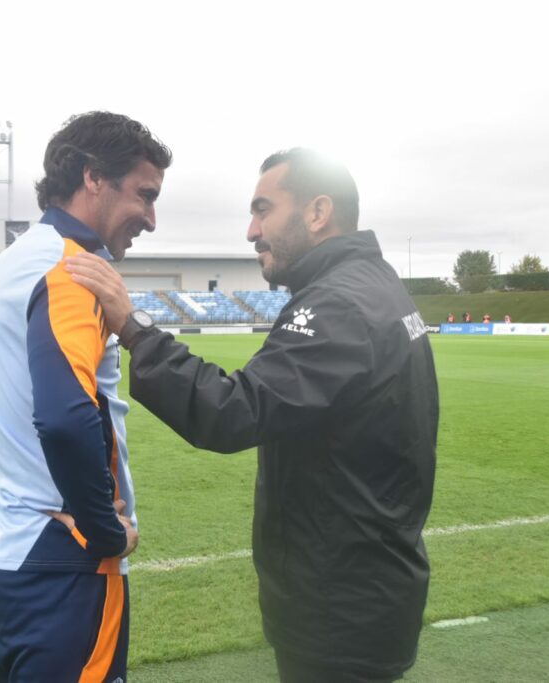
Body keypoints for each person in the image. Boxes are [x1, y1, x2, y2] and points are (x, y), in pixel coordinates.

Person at [67, 148, 439, 682]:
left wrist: (135, 329)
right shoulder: (369, 283)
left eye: (263, 209)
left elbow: (232, 410)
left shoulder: (339, 303)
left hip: (342, 604)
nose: (250, 230)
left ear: (317, 212)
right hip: (367, 586)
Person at [0, 111, 170, 682]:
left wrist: (23, 461)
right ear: (93, 177)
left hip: (4, 550)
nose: (150, 218)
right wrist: (102, 531)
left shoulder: (10, 262)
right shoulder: (76, 269)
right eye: (144, 195)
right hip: (64, 565)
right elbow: (68, 418)